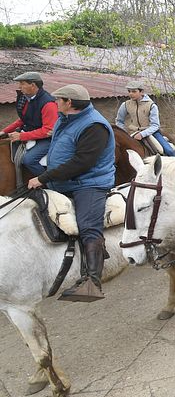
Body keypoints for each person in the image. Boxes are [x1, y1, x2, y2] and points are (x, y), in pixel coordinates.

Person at [27, 84, 115, 302]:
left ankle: (92, 281)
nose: (55, 103)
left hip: (89, 183)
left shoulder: (95, 126)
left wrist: (44, 177)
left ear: (69, 102)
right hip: (64, 181)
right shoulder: (65, 119)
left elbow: (82, 162)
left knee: (87, 226)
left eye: (59, 100)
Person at [0, 72, 57, 178]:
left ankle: (49, 184)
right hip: (29, 132)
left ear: (33, 85)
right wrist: (4, 131)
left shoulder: (48, 104)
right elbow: (23, 119)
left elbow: (48, 130)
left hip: (47, 138)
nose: (19, 86)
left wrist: (21, 136)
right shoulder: (26, 99)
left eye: (22, 83)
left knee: (29, 160)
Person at [115, 80, 175, 156]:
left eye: (134, 91)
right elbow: (119, 121)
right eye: (129, 91)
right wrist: (124, 133)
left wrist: (142, 134)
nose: (130, 94)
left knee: (169, 151)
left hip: (151, 132)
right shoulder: (125, 105)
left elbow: (155, 125)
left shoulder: (151, 105)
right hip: (133, 132)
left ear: (141, 92)